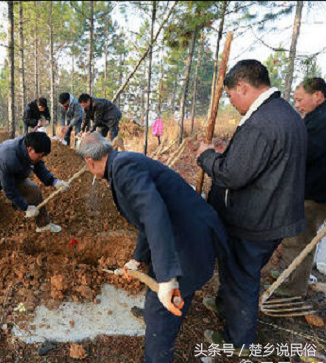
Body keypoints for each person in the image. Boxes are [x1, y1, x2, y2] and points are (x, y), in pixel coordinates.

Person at [77, 132, 228, 363]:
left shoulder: (124, 168)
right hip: (187, 235)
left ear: (89, 161)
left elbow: (154, 215)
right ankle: (159, 314)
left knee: (161, 313)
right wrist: (137, 259)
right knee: (160, 303)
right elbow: (146, 219)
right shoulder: (122, 163)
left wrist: (167, 278)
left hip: (188, 242)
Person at [195, 60, 307, 351]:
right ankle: (224, 305)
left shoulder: (261, 123)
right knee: (235, 268)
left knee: (242, 275)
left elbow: (233, 174)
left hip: (256, 218)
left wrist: (207, 157)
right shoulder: (286, 114)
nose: (231, 103)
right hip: (271, 211)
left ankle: (239, 341)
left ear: (242, 87)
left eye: (231, 96)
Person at [0, 132, 70, 279]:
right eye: (41, 155)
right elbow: (9, 190)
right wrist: (25, 207)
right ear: (30, 149)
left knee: (34, 190)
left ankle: (43, 224)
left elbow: (39, 167)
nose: (41, 158)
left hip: (13, 175)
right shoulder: (7, 157)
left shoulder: (31, 149)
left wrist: (53, 182)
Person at [271, 77, 326, 297]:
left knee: (299, 239)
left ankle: (292, 289)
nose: (297, 105)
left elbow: (306, 153)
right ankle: (290, 275)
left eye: (300, 99)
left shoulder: (322, 122)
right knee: (297, 239)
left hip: (314, 193)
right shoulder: (315, 117)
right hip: (313, 189)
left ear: (318, 96)